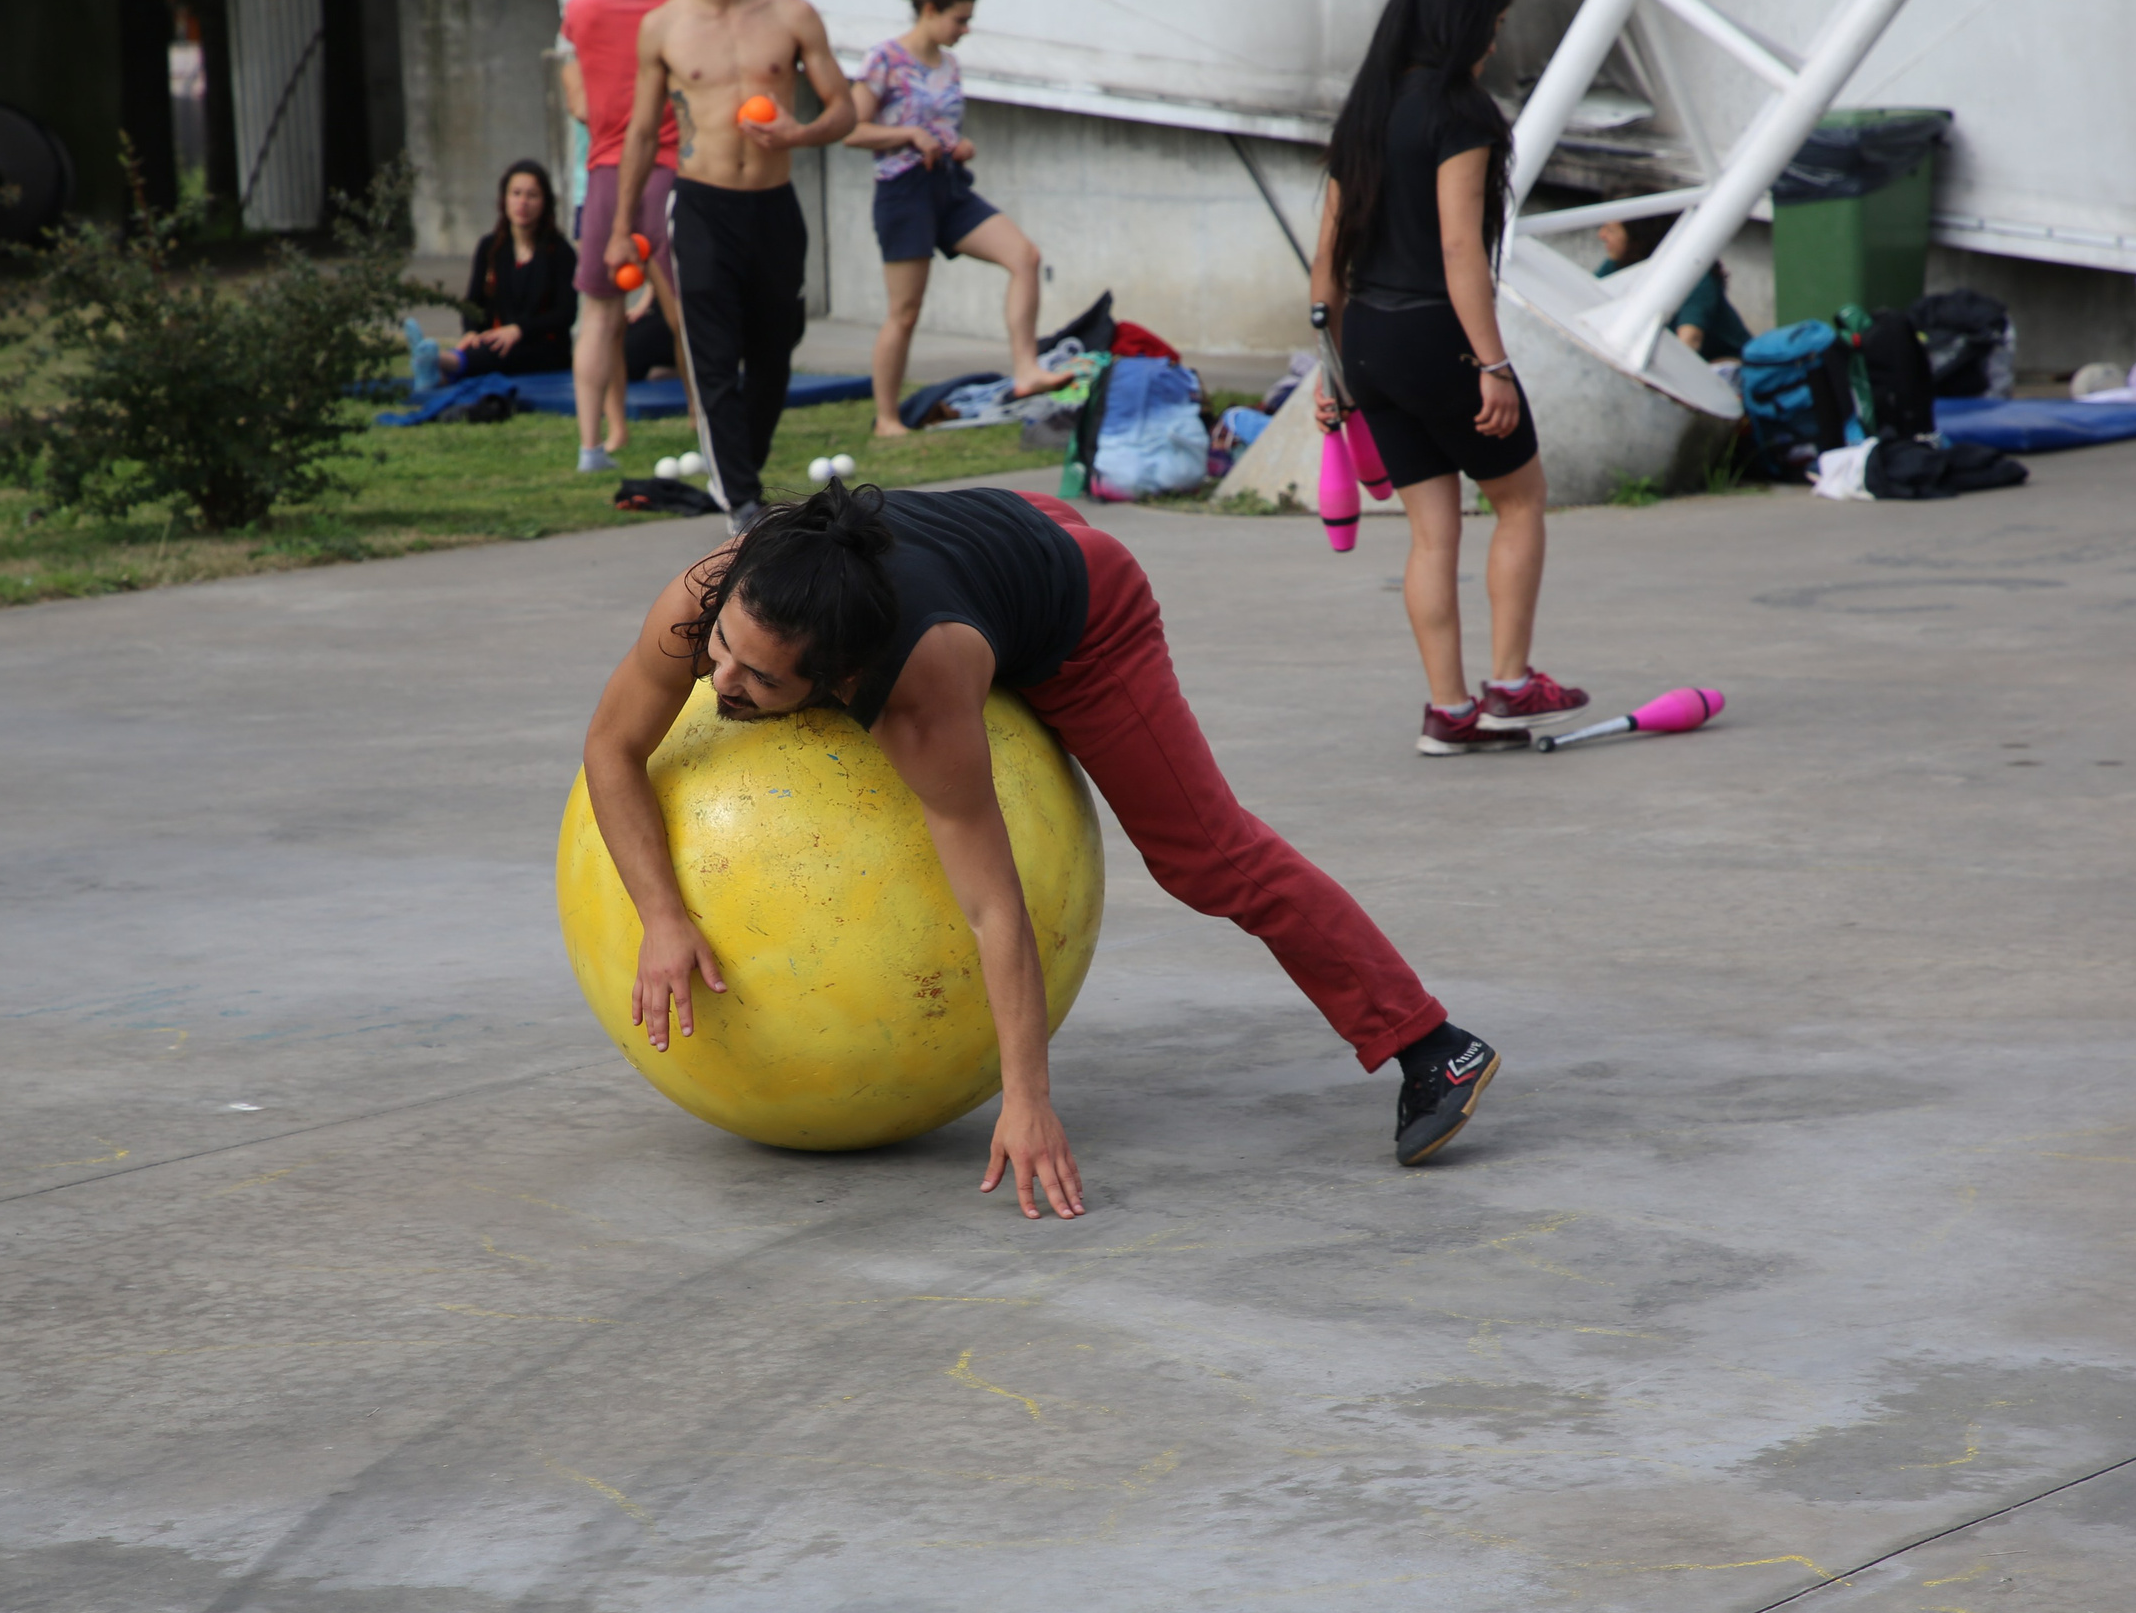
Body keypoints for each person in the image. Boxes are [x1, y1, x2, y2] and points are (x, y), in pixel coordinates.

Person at [581, 483, 1502, 1216]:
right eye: (725, 649)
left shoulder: (918, 694)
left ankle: (1432, 1044)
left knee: (1203, 855)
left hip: (1076, 600)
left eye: (759, 676)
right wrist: (663, 914)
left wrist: (1026, 1099)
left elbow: (993, 906)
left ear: (841, 678)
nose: (719, 680)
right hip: (986, 537)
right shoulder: (714, 594)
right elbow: (612, 747)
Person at [1310, 0, 1587, 757]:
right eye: (1491, 23)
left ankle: (1448, 709)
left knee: (1432, 533)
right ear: (1458, 22)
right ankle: (1510, 685)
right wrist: (1492, 363)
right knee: (1520, 500)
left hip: (1369, 339)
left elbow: (1327, 258)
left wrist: (1332, 375)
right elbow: (1460, 246)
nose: (1493, 41)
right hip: (1439, 335)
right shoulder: (1459, 113)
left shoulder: (1365, 110)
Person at [604, 0, 857, 532]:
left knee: (774, 351)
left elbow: (845, 110)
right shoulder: (664, 25)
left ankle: (741, 471)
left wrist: (799, 133)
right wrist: (622, 228)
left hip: (773, 205)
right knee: (711, 355)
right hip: (701, 205)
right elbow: (642, 132)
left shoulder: (792, 14)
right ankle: (741, 501)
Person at [845, 0, 1070, 437]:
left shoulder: (950, 65)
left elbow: (942, 127)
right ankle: (887, 419)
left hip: (949, 187)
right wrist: (908, 135)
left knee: (1024, 257)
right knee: (905, 310)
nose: (966, 30)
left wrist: (957, 144)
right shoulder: (884, 59)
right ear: (930, 10)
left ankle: (1026, 369)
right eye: (960, 20)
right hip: (904, 192)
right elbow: (850, 130)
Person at [561, 0, 684, 473]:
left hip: (607, 171)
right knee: (688, 317)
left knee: (597, 316)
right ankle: (708, 430)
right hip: (668, 168)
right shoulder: (677, 6)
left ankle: (590, 447)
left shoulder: (582, 8)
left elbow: (580, 102)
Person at [403, 161, 579, 392]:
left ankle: (437, 360)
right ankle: (436, 373)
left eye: (532, 195)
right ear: (504, 199)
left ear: (545, 202)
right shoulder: (490, 246)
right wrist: (471, 332)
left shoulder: (560, 252)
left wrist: (519, 330)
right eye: (516, 194)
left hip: (544, 347)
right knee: (490, 345)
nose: (523, 202)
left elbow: (565, 314)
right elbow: (473, 302)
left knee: (500, 348)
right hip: (497, 339)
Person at [1595, 214, 1752, 362]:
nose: (1601, 235)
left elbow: (1689, 341)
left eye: (1611, 230)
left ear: (1637, 238)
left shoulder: (1693, 278)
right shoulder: (1619, 264)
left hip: (1725, 365)